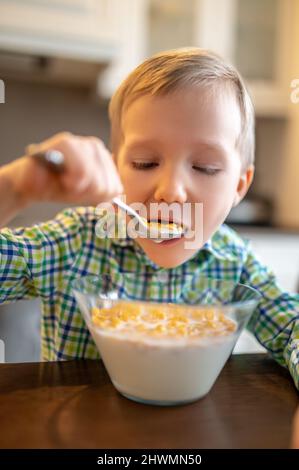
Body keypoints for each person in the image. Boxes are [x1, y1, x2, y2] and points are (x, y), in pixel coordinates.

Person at [0, 48, 298, 390]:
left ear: (239, 186)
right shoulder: (75, 243)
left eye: (205, 168)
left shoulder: (236, 263)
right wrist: (13, 187)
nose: (170, 192)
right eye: (145, 163)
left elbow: (292, 327)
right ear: (116, 169)